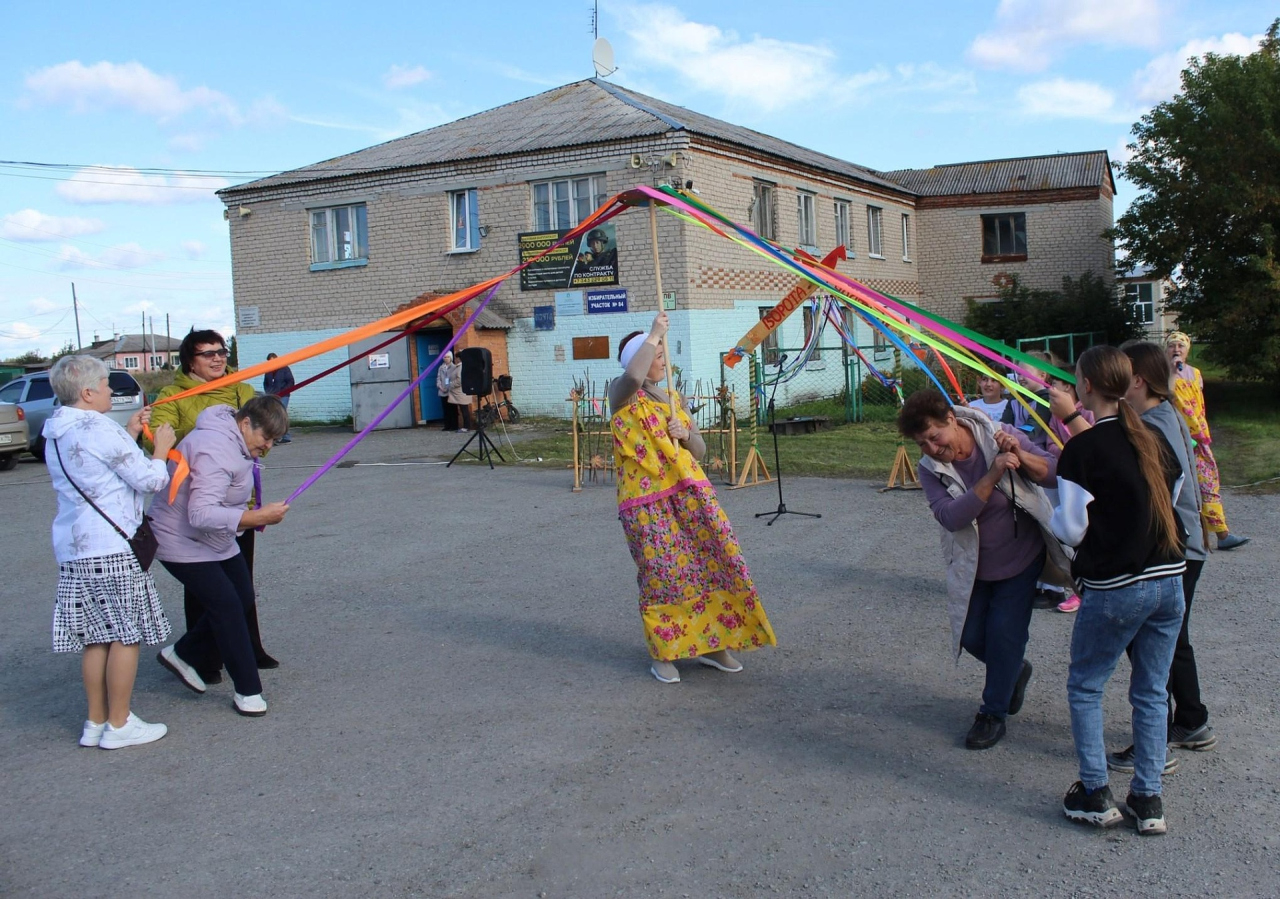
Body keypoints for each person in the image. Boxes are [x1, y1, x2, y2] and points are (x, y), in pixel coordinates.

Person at [1052, 345, 1186, 835]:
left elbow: (1070, 529)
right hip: (1169, 582)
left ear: (1086, 387)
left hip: (1117, 586)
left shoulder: (1082, 450)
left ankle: (1095, 790)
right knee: (1150, 691)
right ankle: (1148, 799)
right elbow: (1169, 500)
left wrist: (1046, 512)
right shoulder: (1152, 438)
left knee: (1086, 685)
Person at [609, 311, 776, 683]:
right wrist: (653, 332)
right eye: (657, 355)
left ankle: (713, 644)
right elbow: (634, 375)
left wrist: (684, 433)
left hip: (689, 494)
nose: (663, 360)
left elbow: (698, 451)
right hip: (646, 503)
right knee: (662, 573)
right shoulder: (620, 394)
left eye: (663, 354)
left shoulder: (673, 398)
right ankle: (663, 652)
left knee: (709, 562)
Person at [899, 389, 1070, 749]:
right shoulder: (930, 469)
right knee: (972, 636)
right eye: (922, 443)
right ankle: (1013, 670)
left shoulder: (999, 433)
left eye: (934, 436)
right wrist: (990, 476)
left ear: (951, 419)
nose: (931, 448)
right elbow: (949, 517)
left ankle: (992, 712)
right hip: (973, 564)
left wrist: (1018, 454)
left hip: (1022, 557)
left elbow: (1053, 473)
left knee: (1006, 633)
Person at [43, 355, 177, 749]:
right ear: (87, 392)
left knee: (96, 637)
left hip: (76, 546)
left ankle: (96, 722)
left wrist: (130, 433)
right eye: (104, 385)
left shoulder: (56, 431)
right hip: (111, 545)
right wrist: (162, 448)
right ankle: (120, 725)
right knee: (124, 634)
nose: (109, 391)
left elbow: (97, 472)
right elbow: (150, 479)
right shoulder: (101, 428)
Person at [1101, 341, 1215, 772]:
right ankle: (1191, 721)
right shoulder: (1159, 416)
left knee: (1151, 644)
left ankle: (1157, 741)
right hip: (1185, 548)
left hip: (1175, 550)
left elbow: (1155, 493)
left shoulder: (1153, 425)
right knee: (1173, 639)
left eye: (1121, 375)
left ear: (1138, 381)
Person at [150, 397, 291, 717]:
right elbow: (200, 514)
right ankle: (248, 691)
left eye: (273, 440)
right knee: (227, 604)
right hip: (179, 537)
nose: (268, 446)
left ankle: (183, 653)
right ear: (244, 424)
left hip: (215, 537)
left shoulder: (236, 439)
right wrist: (255, 518)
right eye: (265, 438)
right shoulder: (214, 449)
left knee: (241, 597)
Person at [149, 329, 277, 681]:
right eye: (208, 354)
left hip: (238, 501)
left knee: (240, 583)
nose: (218, 358)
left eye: (221, 351)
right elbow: (160, 441)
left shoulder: (241, 388)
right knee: (205, 587)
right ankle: (201, 658)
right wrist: (200, 454)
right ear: (190, 360)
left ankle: (245, 647)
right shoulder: (173, 395)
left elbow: (262, 427)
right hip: (194, 504)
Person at [1165, 331, 1249, 550]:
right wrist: (1172, 374)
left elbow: (1199, 406)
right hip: (1176, 438)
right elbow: (1166, 399)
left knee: (1207, 483)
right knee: (1179, 488)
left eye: (1180, 346)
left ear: (1187, 350)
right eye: (1172, 346)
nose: (1176, 350)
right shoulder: (1163, 375)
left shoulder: (1195, 374)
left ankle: (1221, 534)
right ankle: (1186, 537)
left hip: (1198, 439)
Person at [262, 353, 295, 443]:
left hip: (284, 395)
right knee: (274, 414)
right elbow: (265, 383)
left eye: (273, 361)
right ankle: (277, 436)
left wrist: (283, 391)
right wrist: (268, 392)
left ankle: (286, 437)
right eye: (270, 362)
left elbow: (291, 381)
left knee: (281, 413)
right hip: (272, 395)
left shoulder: (285, 369)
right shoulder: (268, 370)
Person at [446, 351, 472, 432]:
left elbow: (459, 380)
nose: (455, 359)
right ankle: (466, 426)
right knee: (463, 409)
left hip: (460, 392)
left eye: (456, 357)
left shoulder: (461, 367)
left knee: (464, 409)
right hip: (460, 392)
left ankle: (466, 426)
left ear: (458, 358)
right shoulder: (459, 367)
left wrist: (451, 384)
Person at [437, 351, 457, 431]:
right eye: (445, 357)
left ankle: (454, 425)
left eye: (447, 357)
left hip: (450, 391)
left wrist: (448, 387)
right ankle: (447, 425)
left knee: (452, 409)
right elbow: (438, 378)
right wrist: (440, 386)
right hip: (442, 391)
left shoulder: (454, 367)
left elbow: (454, 378)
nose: (446, 359)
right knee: (445, 409)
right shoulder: (441, 367)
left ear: (451, 358)